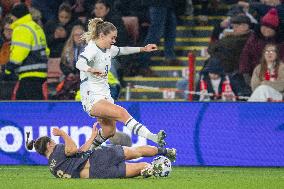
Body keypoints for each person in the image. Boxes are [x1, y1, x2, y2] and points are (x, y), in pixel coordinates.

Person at [75, 18, 166, 149]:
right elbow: (79, 63)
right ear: (101, 36)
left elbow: (123, 50)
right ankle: (153, 137)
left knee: (109, 131)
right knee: (122, 113)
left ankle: (84, 152)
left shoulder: (108, 49)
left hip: (104, 96)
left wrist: (143, 49)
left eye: (115, 38)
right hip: (92, 98)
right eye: (112, 38)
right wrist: (91, 69)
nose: (114, 41)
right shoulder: (92, 49)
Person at [26, 123, 176, 179]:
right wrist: (63, 134)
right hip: (98, 157)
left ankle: (149, 170)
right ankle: (165, 151)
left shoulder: (52, 168)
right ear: (49, 145)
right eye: (53, 141)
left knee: (140, 166)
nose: (55, 141)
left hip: (96, 174)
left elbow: (79, 152)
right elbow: (72, 149)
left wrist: (92, 137)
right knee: (135, 151)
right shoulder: (57, 150)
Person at [4, 3, 49, 100]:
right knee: (24, 102)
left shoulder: (21, 29)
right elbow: (46, 51)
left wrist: (8, 69)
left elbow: (19, 54)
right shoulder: (36, 27)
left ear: (15, 16)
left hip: (29, 74)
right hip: (40, 73)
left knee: (31, 108)